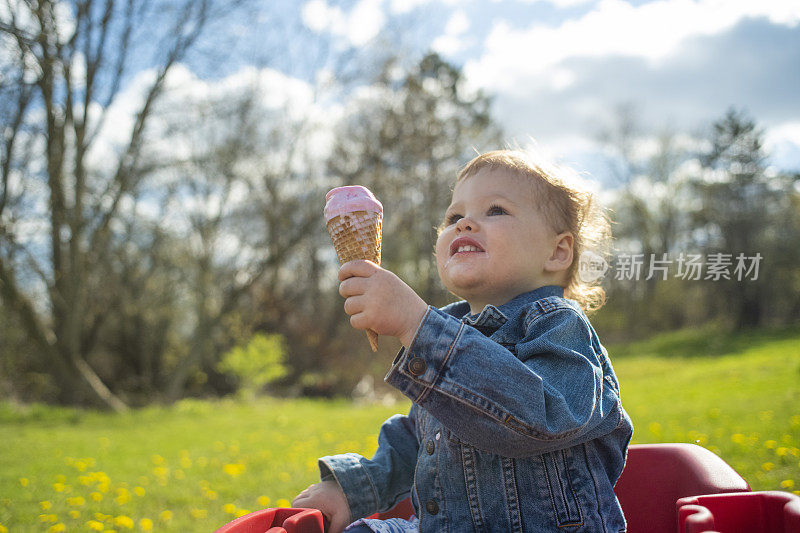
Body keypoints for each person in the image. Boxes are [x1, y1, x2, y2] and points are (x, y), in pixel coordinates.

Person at [293, 150, 633, 532]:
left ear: (557, 251)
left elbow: (544, 416)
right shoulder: (447, 330)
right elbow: (415, 439)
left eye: (496, 210)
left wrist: (416, 324)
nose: (465, 224)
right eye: (454, 217)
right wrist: (352, 491)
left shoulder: (558, 325)